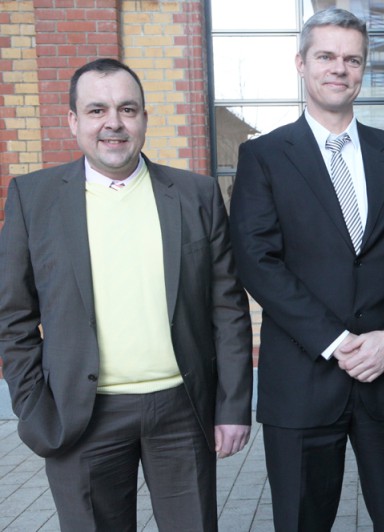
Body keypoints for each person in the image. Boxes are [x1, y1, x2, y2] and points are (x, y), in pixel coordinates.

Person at [0, 58, 253, 531]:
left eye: (127, 109)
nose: (113, 123)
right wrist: (34, 409)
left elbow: (228, 307)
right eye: (97, 110)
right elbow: (12, 317)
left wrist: (234, 405)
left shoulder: (195, 194)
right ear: (73, 121)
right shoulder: (33, 198)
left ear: (143, 119)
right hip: (80, 416)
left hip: (183, 409)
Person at [228, 8, 384, 532]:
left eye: (352, 59)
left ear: (364, 69)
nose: (339, 69)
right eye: (326, 56)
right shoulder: (263, 156)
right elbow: (257, 262)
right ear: (301, 63)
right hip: (302, 382)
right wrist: (338, 341)